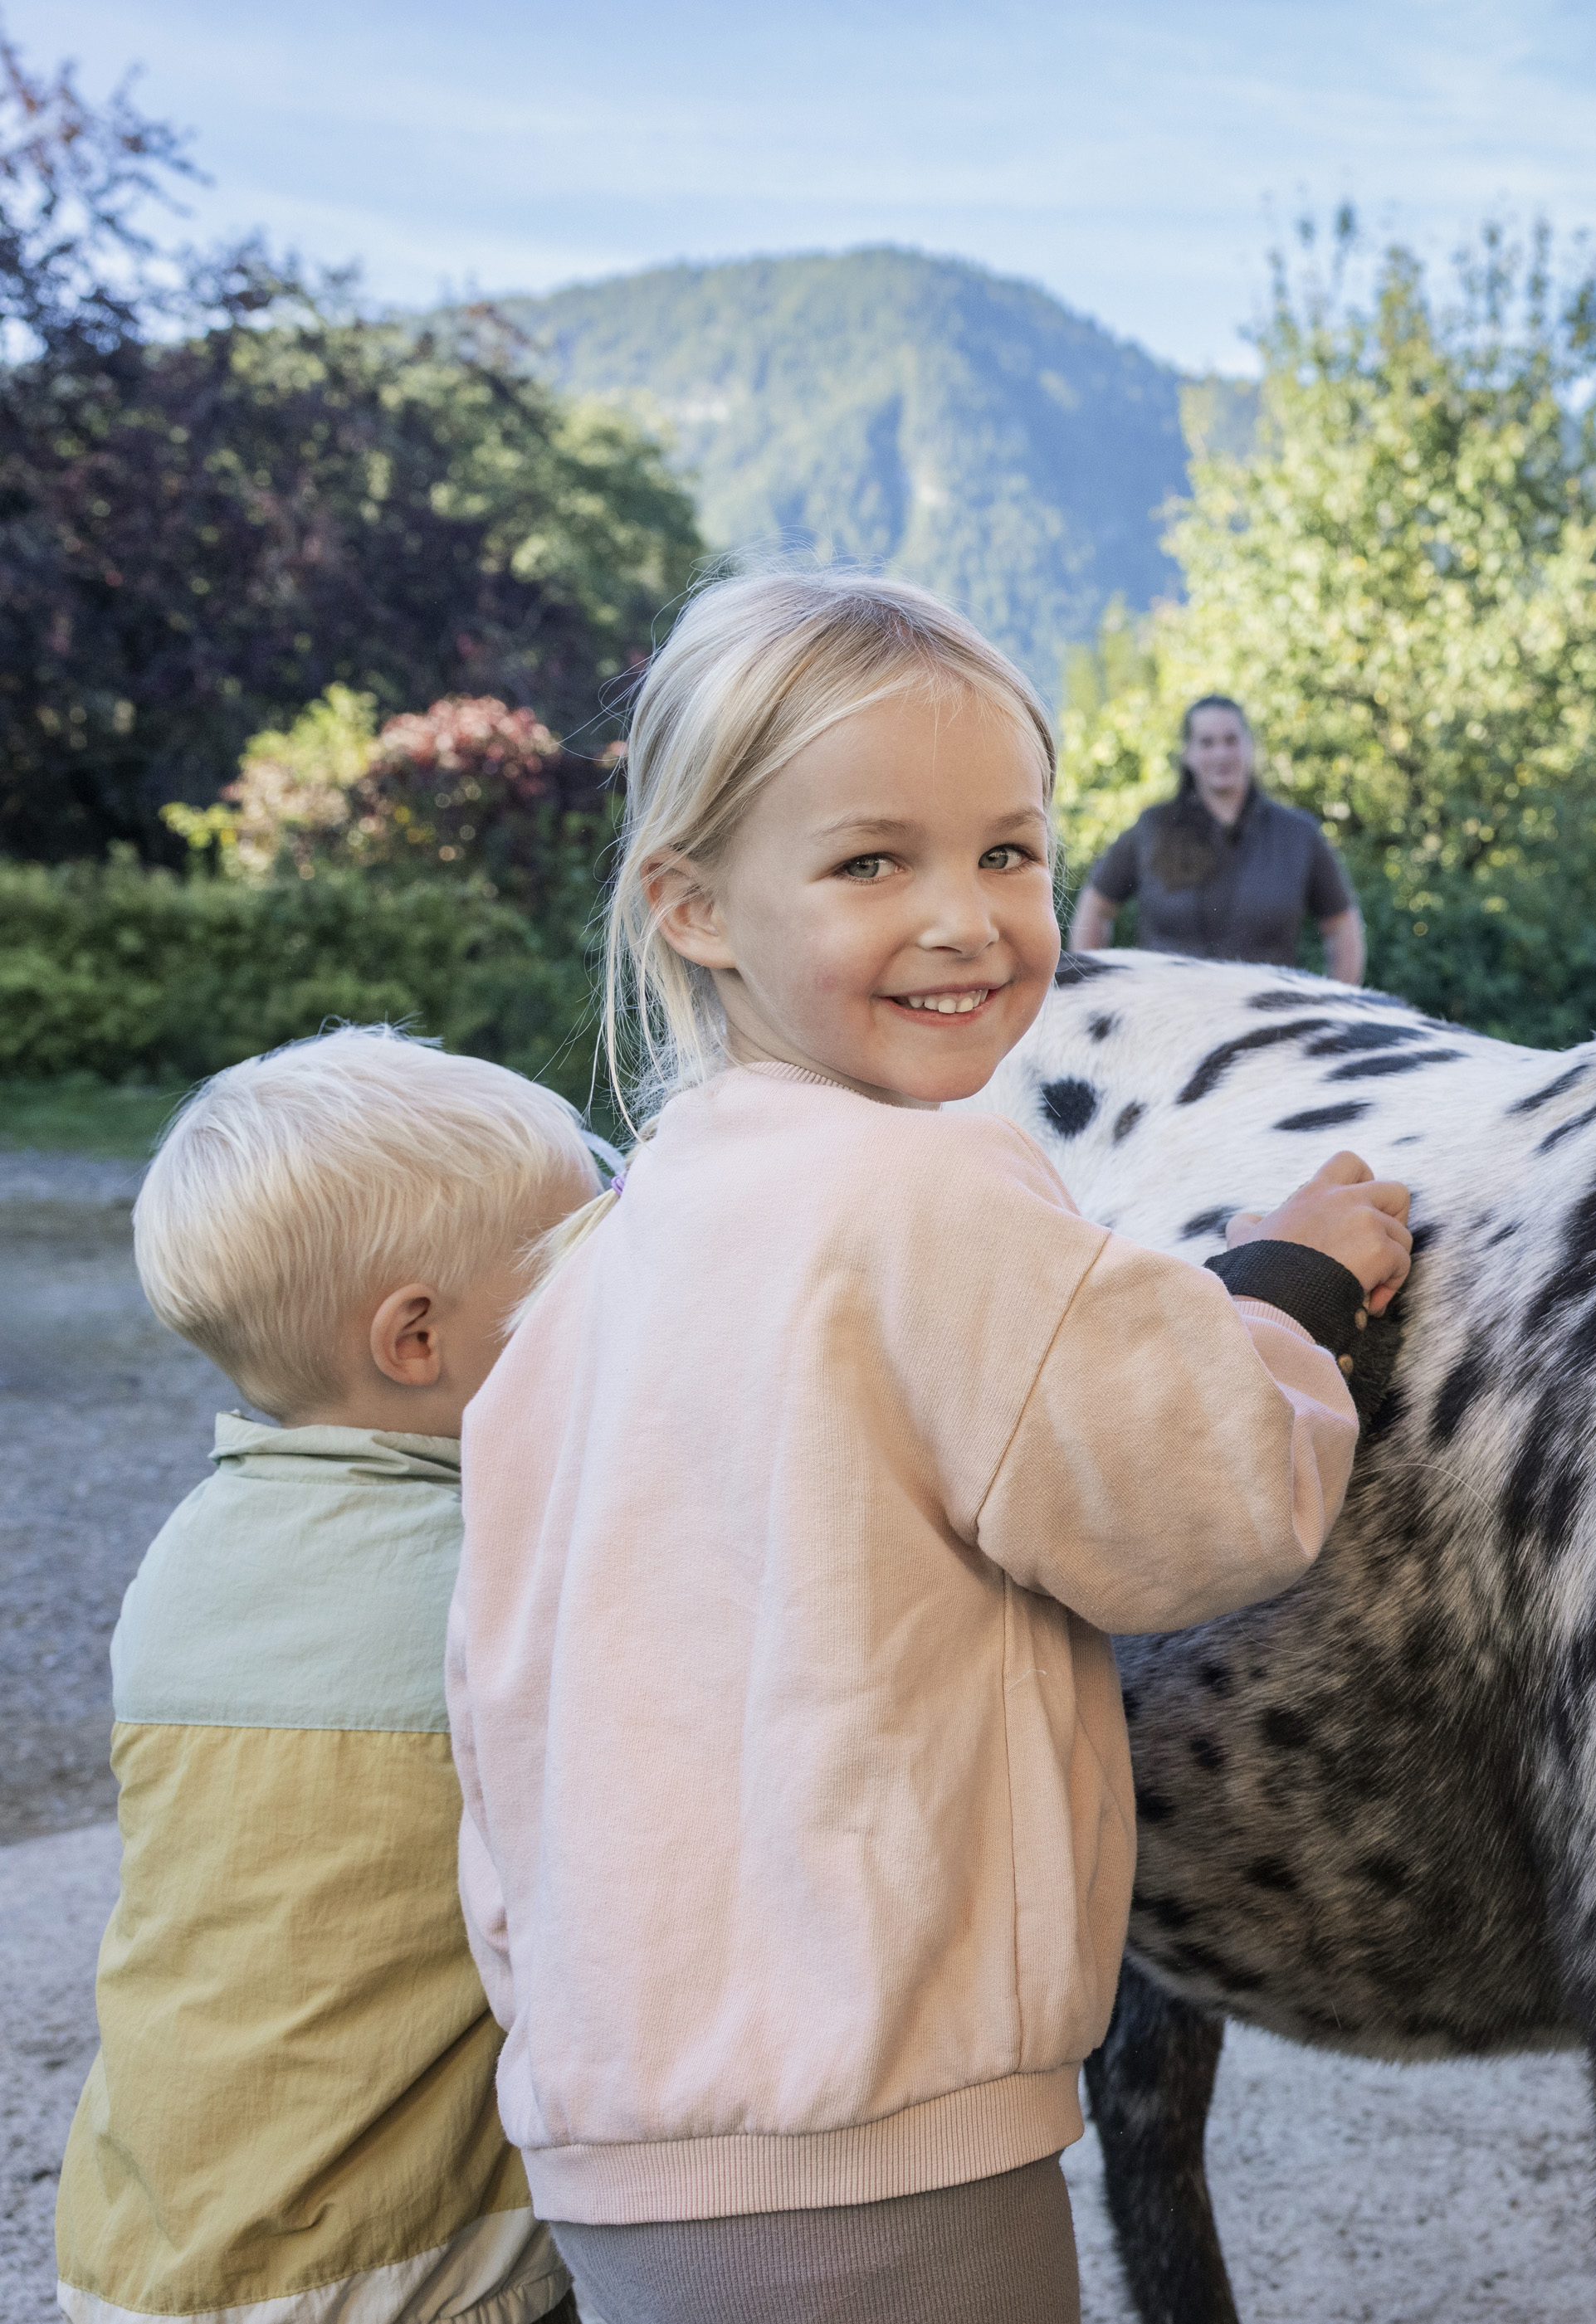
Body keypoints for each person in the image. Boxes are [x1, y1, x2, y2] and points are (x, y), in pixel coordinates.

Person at [448, 570, 1411, 2324]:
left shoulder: (595, 1265)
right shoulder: (929, 1184)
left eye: (1011, 854)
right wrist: (1288, 1290)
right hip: (881, 2133)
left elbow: (496, 1680)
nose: (969, 919)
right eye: (871, 862)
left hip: (617, 2128)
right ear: (693, 903)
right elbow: (1197, 1497)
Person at [57, 1026, 601, 2324]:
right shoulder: (502, 1584)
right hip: (406, 2268)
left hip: (140, 2249)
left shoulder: (189, 1557)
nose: (604, 1322)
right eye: (572, 1295)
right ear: (418, 1341)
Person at [1069, 694, 1365, 981]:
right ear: (1188, 752)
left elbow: (1342, 926)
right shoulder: (1152, 828)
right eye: (1207, 742)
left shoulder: (1298, 834)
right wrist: (1093, 994)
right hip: (1165, 1020)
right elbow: (1096, 909)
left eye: (1231, 740)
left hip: (1265, 1021)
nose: (1221, 754)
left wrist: (1334, 1009)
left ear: (1249, 746)